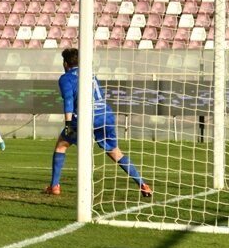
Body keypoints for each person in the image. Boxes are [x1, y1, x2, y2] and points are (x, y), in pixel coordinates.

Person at [47, 48, 152, 198]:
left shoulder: (66, 78)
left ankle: (54, 186)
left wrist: (69, 124)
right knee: (115, 152)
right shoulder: (91, 74)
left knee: (61, 145)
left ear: (65, 63)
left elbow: (69, 101)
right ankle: (142, 183)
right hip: (105, 113)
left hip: (86, 115)